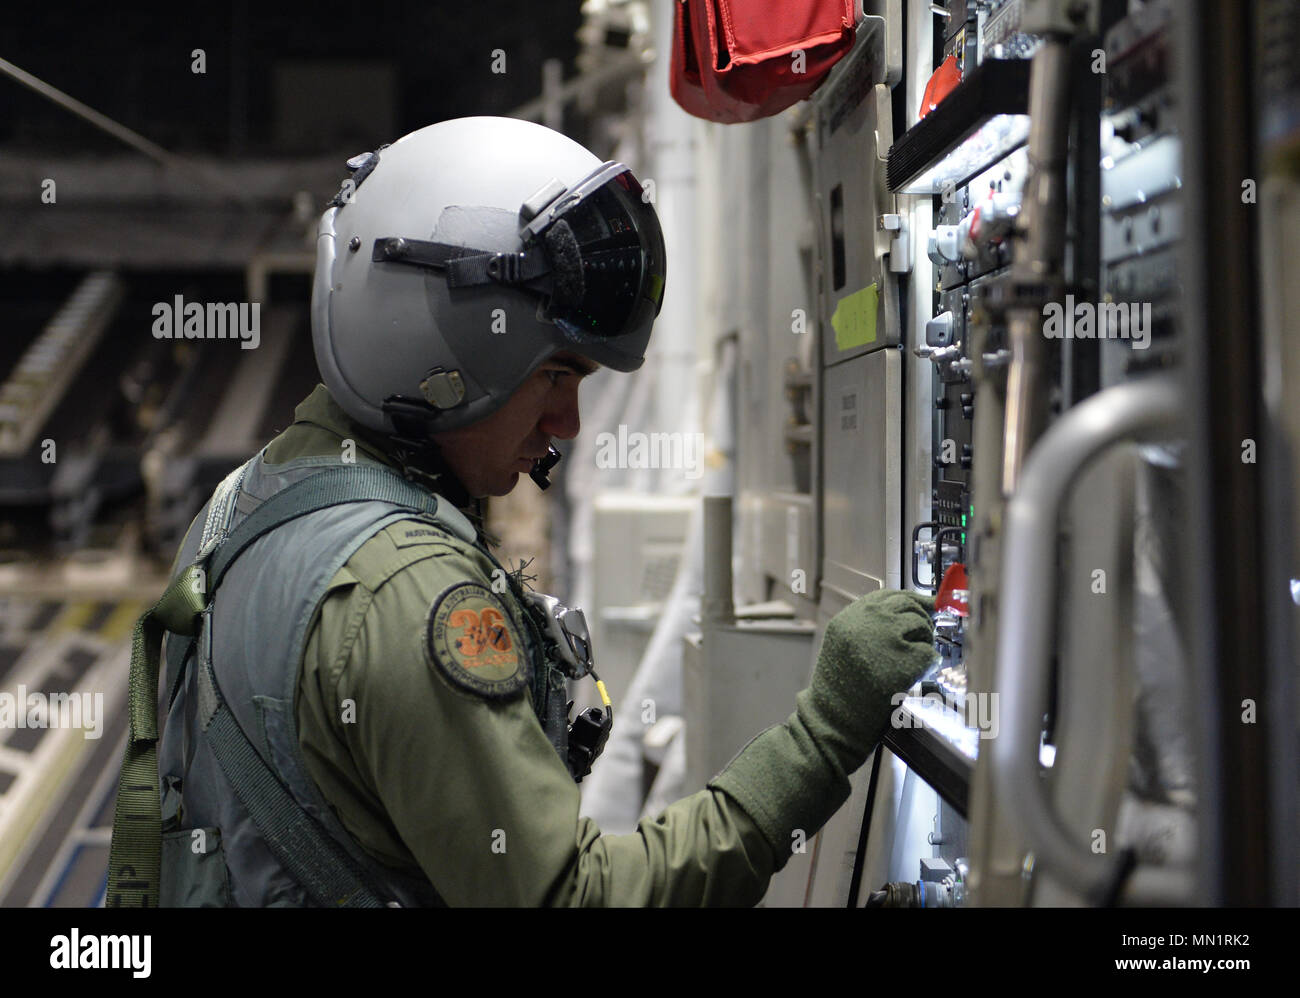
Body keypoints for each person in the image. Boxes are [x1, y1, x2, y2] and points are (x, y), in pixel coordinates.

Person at [118, 116, 936, 907]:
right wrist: (824, 735)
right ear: (439, 357)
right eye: (556, 377)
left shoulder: (250, 501)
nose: (568, 425)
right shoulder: (411, 594)